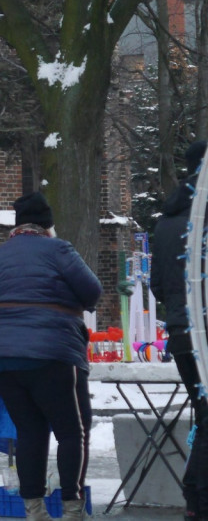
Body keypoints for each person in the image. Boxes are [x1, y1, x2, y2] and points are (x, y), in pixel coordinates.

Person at [0, 192, 102, 521]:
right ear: (48, 225)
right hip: (52, 352)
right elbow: (92, 291)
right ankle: (73, 510)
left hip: (1, 355)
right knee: (71, 431)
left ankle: (34, 511)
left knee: (30, 431)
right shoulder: (58, 248)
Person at [151, 140, 208, 520]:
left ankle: (195, 496)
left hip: (182, 331)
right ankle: (197, 498)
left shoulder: (167, 221)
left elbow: (156, 283)